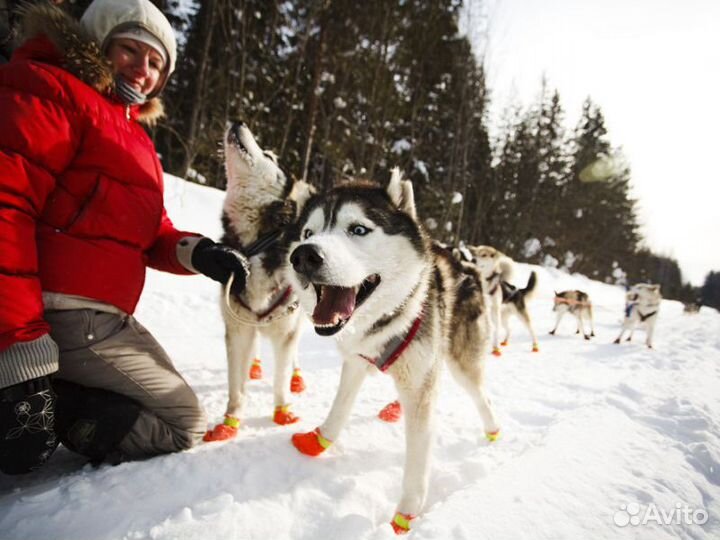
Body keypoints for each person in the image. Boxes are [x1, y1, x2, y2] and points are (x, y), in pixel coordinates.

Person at [0, 0, 248, 474]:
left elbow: (148, 230)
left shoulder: (130, 133)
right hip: (61, 313)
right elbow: (7, 208)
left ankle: (64, 396)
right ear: (97, 44)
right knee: (183, 424)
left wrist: (200, 253)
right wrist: (19, 349)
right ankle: (62, 406)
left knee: (178, 413)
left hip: (101, 320)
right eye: (131, 51)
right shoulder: (54, 91)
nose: (143, 70)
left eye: (156, 63)